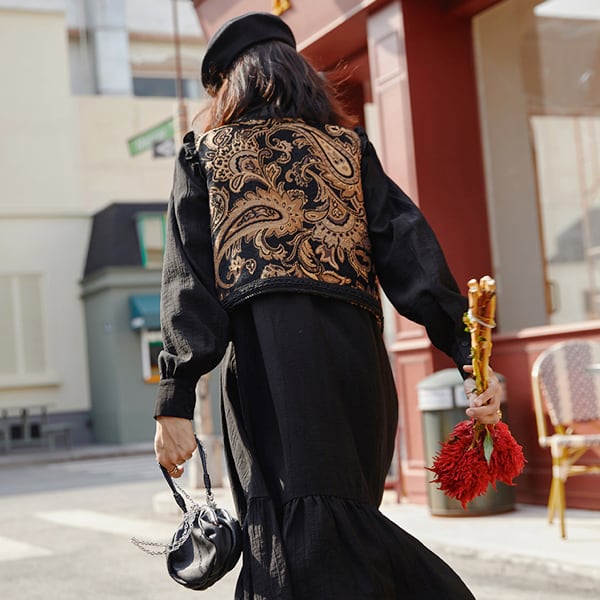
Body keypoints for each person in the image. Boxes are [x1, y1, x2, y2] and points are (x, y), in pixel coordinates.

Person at [154, 11, 502, 600]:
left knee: (296, 540)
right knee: (339, 526)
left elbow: (188, 287)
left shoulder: (205, 155)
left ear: (231, 87)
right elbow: (412, 256)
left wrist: (175, 400)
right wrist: (470, 357)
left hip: (270, 374)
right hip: (357, 371)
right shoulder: (348, 150)